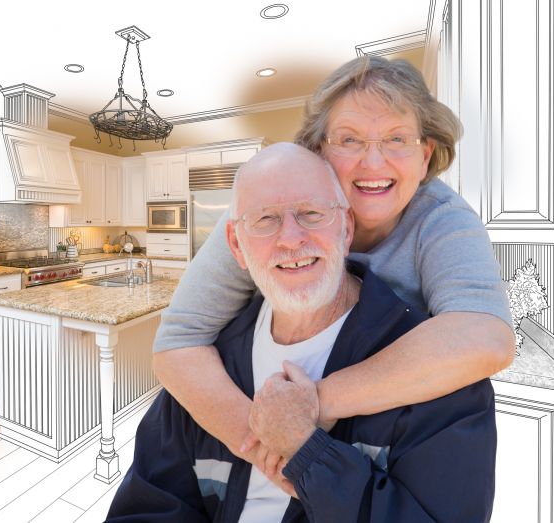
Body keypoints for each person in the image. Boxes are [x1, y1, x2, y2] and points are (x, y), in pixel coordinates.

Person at [152, 56, 514, 480]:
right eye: (349, 140)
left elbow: (486, 336)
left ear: (425, 154)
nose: (373, 164)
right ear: (318, 150)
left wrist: (315, 404)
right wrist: (265, 448)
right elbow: (178, 342)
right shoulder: (260, 218)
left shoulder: (443, 219)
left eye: (397, 139)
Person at [106, 144, 496, 522]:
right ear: (236, 246)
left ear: (346, 229)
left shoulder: (439, 377)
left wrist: (310, 456)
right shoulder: (207, 370)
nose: (291, 239)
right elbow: (148, 505)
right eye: (265, 219)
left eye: (311, 213)